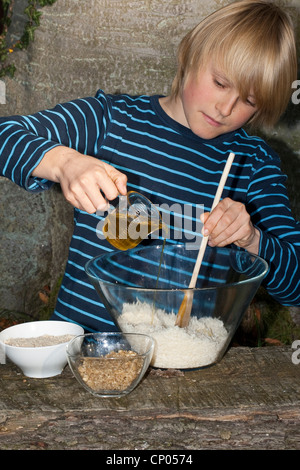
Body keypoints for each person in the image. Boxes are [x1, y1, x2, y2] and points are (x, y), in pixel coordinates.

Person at [0, 0, 299, 332]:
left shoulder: (253, 164)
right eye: (220, 83)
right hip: (83, 354)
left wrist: (252, 238)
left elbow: (296, 286)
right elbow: (5, 135)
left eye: (249, 100)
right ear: (189, 56)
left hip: (182, 366)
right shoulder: (111, 120)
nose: (226, 107)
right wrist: (64, 163)